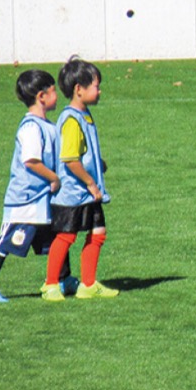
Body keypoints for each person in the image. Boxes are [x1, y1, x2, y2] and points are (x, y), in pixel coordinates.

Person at [0, 70, 71, 304]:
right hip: (26, 198)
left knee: (57, 236)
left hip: (43, 198)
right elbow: (31, 160)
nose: (57, 95)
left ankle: (62, 279)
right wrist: (54, 179)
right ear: (41, 96)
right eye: (53, 90)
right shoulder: (31, 128)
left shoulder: (47, 125)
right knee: (7, 239)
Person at [43, 57, 118, 300]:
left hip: (88, 192)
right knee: (66, 235)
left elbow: (84, 153)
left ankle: (88, 284)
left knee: (98, 231)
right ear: (79, 89)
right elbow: (70, 159)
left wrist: (99, 165)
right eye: (96, 86)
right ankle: (51, 284)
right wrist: (90, 182)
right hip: (73, 193)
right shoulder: (72, 120)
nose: (100, 91)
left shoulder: (84, 115)